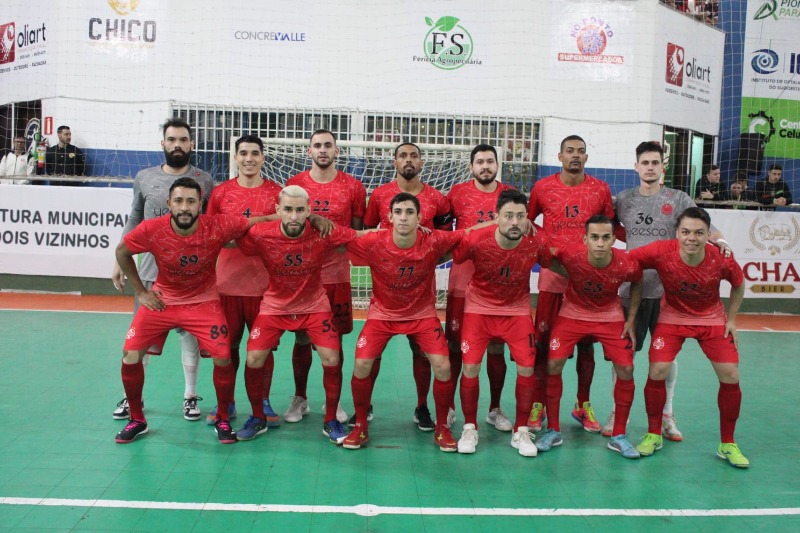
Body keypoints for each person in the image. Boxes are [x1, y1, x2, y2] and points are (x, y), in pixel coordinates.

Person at [113, 177, 268, 444]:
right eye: (179, 201)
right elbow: (122, 251)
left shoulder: (216, 225)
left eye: (191, 202)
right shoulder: (152, 229)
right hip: (163, 300)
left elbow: (254, 221)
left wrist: (296, 213)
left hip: (203, 302)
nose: (185, 207)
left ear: (200, 205)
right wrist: (141, 292)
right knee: (130, 354)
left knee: (222, 355)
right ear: (169, 204)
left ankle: (221, 417)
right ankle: (137, 419)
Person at [609, 141, 731, 440]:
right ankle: (616, 412)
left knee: (666, 358)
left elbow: (704, 227)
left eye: (655, 162)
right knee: (623, 356)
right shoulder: (623, 200)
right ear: (636, 167)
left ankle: (667, 414)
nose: (650, 167)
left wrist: (721, 240)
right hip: (632, 290)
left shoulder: (678, 199)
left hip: (669, 294)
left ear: (663, 167)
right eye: (645, 162)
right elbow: (603, 228)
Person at [234, 185, 360, 444]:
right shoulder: (261, 233)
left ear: (309, 211)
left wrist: (410, 232)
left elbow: (362, 236)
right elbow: (226, 236)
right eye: (288, 210)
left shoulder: (323, 232)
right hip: (275, 306)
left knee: (331, 356)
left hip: (314, 305)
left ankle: (331, 420)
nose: (293, 216)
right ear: (278, 210)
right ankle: (258, 418)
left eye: (300, 210)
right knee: (254, 358)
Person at [343, 192, 469, 451]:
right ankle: (360, 427)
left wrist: (501, 221)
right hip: (382, 315)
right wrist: (311, 218)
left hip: (422, 316)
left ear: (420, 217)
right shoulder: (373, 240)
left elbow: (468, 233)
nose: (403, 217)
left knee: (443, 366)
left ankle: (442, 427)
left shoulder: (433, 240)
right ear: (388, 217)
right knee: (362, 363)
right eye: (398, 212)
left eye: (409, 212)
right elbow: (342, 236)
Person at [111, 117, 214, 422]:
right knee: (138, 342)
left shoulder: (205, 180)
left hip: (191, 276)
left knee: (189, 337)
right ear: (163, 144)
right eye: (172, 139)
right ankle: (133, 400)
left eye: (183, 139)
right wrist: (119, 257)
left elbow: (210, 227)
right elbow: (134, 219)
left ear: (192, 144)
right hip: (150, 276)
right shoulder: (145, 177)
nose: (178, 144)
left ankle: (190, 396)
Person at [629, 207, 748, 468]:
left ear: (709, 235)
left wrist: (731, 319)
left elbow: (739, 284)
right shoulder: (662, 251)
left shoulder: (721, 258)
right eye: (685, 232)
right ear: (676, 233)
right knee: (658, 369)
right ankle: (653, 433)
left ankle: (727, 444)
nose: (691, 238)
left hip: (711, 319)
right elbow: (626, 260)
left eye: (698, 233)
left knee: (730, 374)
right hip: (672, 318)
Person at [534, 215, 643, 459]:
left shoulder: (627, 263)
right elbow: (544, 255)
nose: (600, 243)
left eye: (606, 238)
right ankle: (553, 430)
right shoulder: (570, 254)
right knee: (553, 364)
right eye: (594, 237)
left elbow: (637, 282)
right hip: (572, 314)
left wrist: (631, 320)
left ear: (614, 239)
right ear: (585, 239)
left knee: (626, 369)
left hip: (610, 316)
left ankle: (619, 436)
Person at [526, 135, 615, 434]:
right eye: (569, 151)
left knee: (586, 347)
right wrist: (545, 245)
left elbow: (610, 229)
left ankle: (582, 404)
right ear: (560, 156)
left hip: (587, 283)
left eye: (580, 152)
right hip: (553, 281)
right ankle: (537, 404)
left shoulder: (600, 189)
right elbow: (527, 222)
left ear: (586, 157)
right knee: (543, 345)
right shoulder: (543, 187)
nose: (575, 156)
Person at [362, 142, 452, 431]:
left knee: (423, 354)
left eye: (414, 155)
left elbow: (445, 242)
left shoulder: (437, 198)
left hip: (420, 295)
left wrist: (424, 258)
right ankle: (365, 407)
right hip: (385, 296)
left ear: (422, 162)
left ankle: (422, 407)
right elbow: (367, 233)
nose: (408, 160)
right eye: (403, 155)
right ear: (395, 161)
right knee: (370, 355)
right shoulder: (378, 195)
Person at [453, 189, 549, 457]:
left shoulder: (535, 242)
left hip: (516, 312)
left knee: (527, 368)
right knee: (470, 367)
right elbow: (454, 255)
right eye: (508, 216)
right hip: (479, 310)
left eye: (521, 216)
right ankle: (469, 427)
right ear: (497, 217)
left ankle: (521, 431)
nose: (515, 222)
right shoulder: (477, 240)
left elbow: (558, 262)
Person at [286, 129, 367, 425]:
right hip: (303, 278)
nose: (322, 150)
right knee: (302, 337)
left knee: (334, 342)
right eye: (317, 145)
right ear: (309, 151)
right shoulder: (295, 185)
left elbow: (354, 233)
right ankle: (301, 397)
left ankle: (334, 401)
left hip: (337, 277)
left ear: (337, 150)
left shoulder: (354, 187)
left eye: (327, 145)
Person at [204, 134, 283, 428]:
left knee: (262, 350)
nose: (249, 158)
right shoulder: (221, 193)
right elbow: (211, 234)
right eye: (243, 153)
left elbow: (282, 234)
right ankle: (226, 403)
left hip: (266, 287)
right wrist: (257, 229)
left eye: (254, 153)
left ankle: (262, 401)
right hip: (226, 285)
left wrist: (241, 232)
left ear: (263, 158)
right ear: (235, 158)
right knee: (227, 348)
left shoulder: (277, 193)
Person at [446, 144, 517, 433]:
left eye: (490, 161)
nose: (485, 166)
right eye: (479, 162)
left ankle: (494, 408)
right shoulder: (457, 194)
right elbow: (441, 229)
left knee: (496, 346)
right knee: (453, 346)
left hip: (500, 285)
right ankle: (449, 406)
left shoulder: (510, 194)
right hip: (462, 283)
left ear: (497, 164)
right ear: (471, 166)